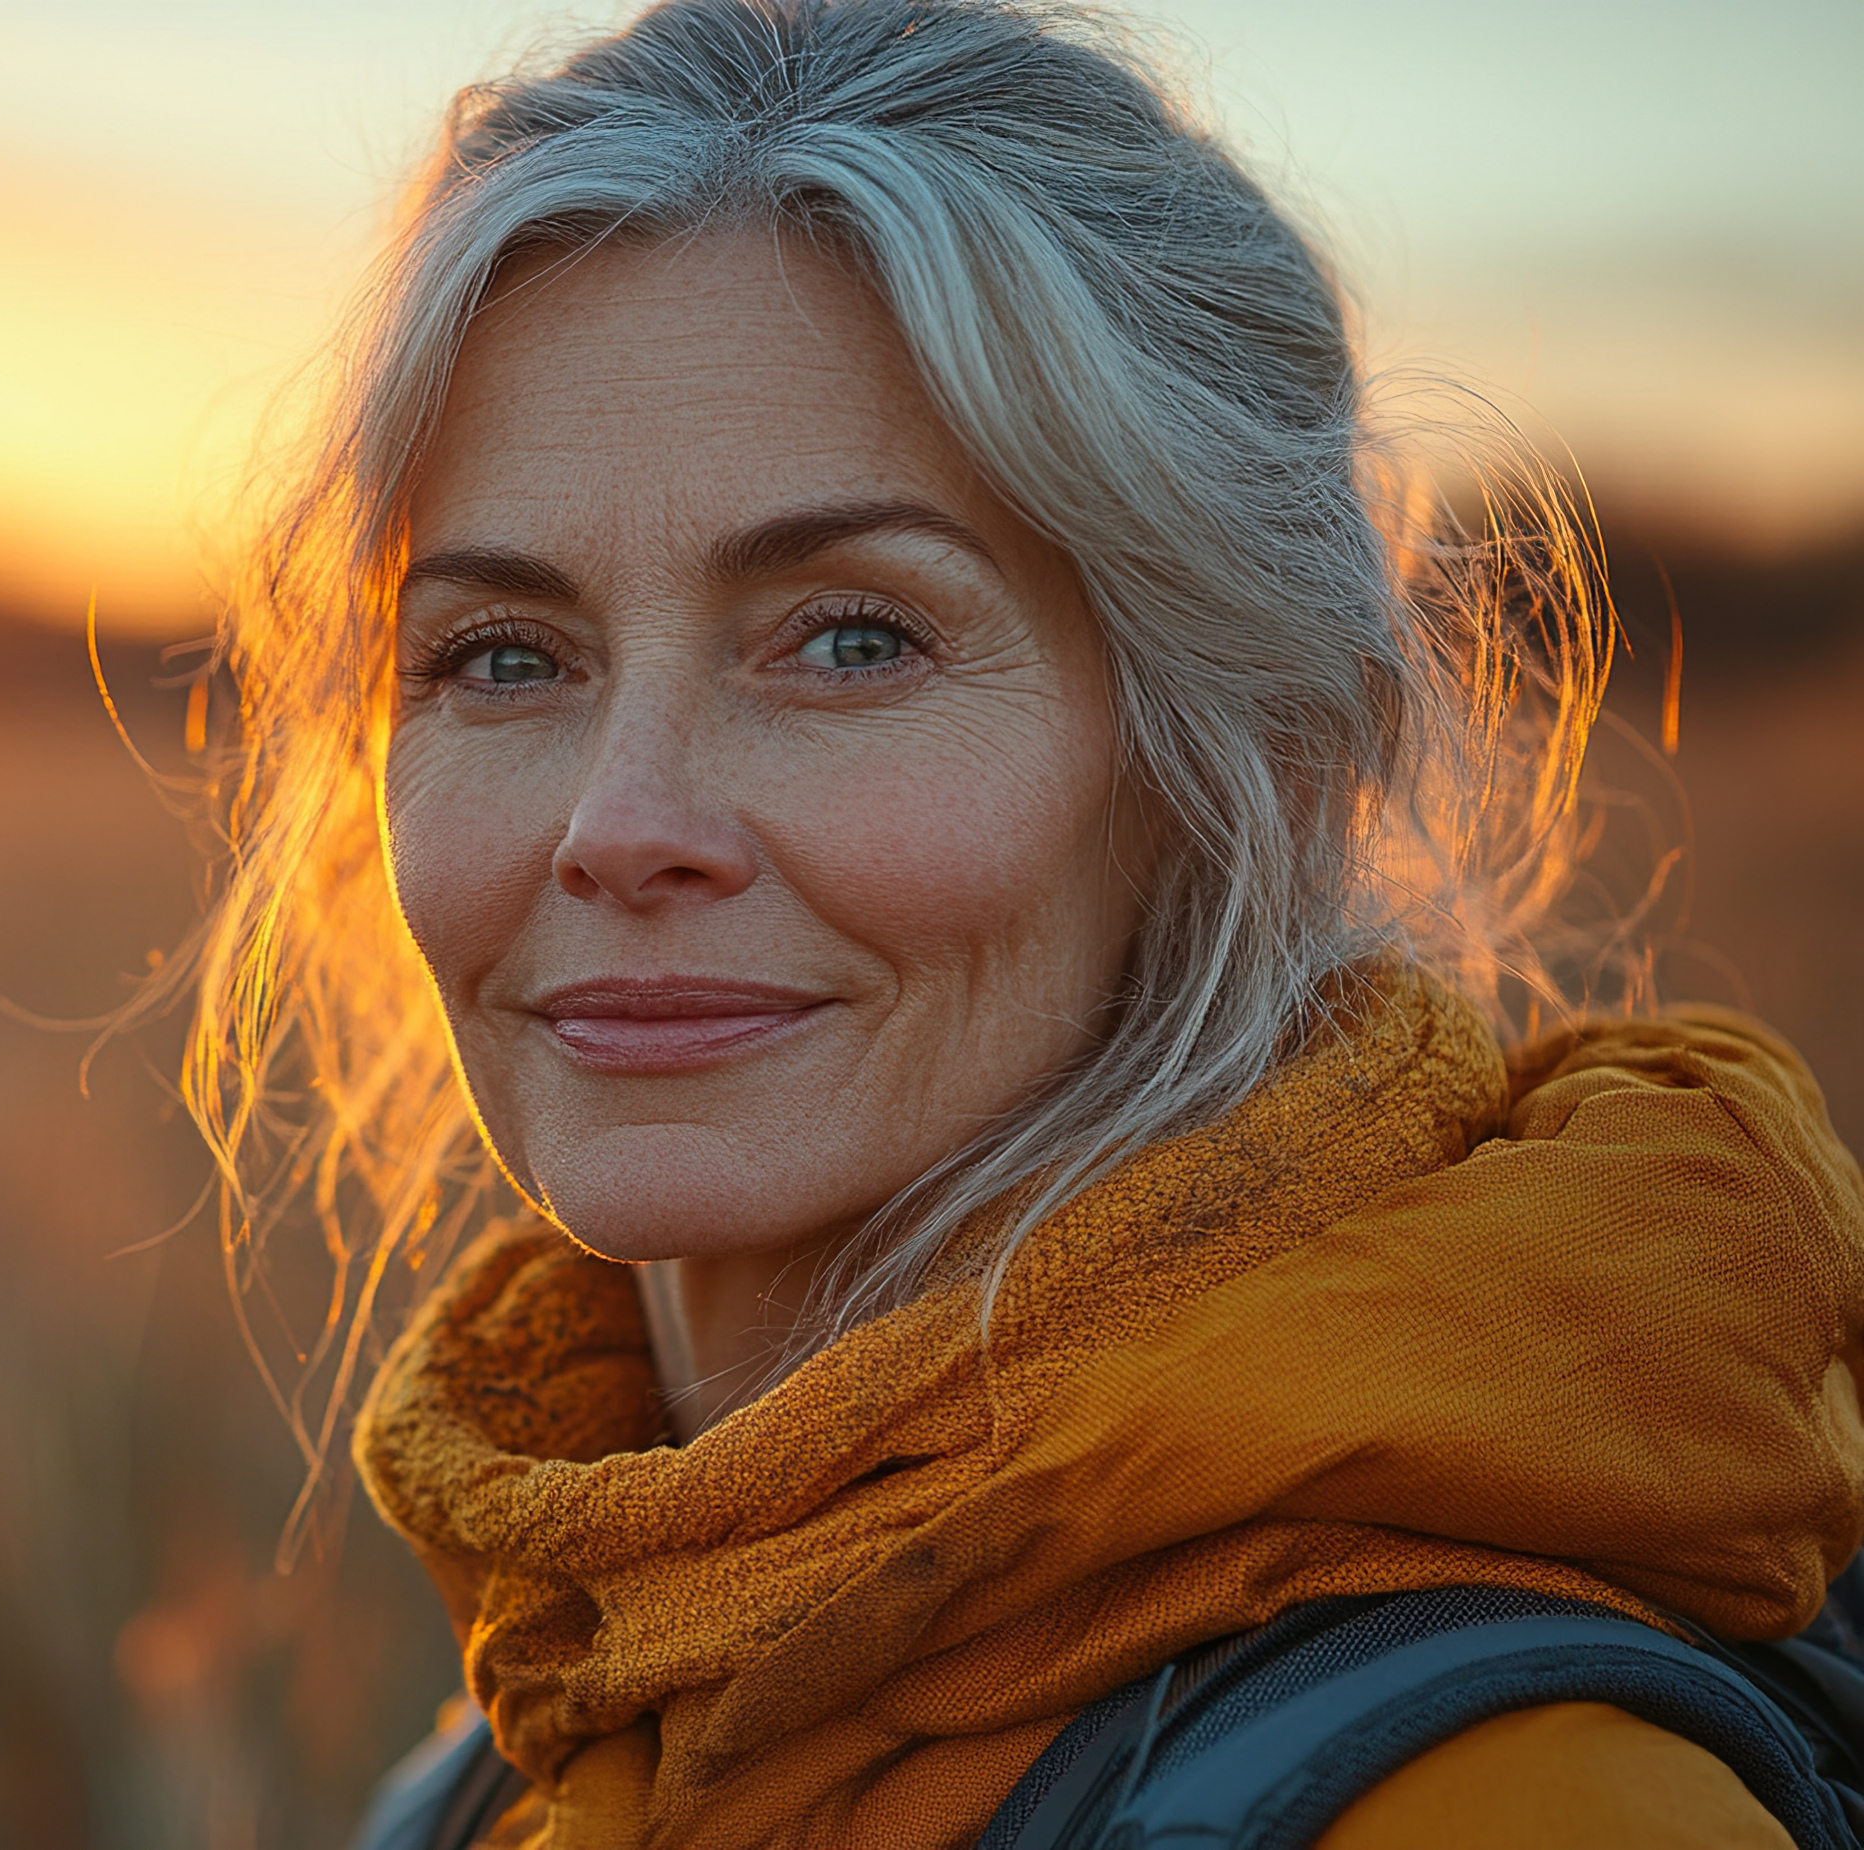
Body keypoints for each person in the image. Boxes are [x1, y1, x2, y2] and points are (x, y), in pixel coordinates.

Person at [146, 1, 1864, 1843]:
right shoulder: (522, 1750)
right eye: (501, 655)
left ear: (1260, 751)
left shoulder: (1514, 1801)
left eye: (853, 637)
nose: (620, 824)